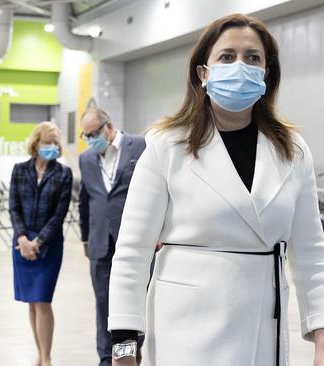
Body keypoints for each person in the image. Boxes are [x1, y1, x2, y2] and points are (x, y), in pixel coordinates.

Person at [108, 14, 324, 366]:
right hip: (184, 332)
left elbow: (313, 255)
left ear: (267, 74)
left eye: (253, 57)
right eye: (227, 56)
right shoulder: (166, 146)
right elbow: (132, 254)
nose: (240, 65)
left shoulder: (292, 150)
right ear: (203, 73)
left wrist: (321, 339)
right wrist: (124, 348)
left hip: (261, 330)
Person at [77, 107, 146, 366]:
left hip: (134, 243)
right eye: (86, 135)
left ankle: (131, 356)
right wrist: (85, 238)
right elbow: (84, 202)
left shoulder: (139, 146)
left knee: (131, 305)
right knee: (104, 305)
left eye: (93, 133)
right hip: (99, 244)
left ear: (108, 126)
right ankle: (107, 360)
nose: (91, 139)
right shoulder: (86, 160)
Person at [9, 121, 73, 366]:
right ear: (36, 144)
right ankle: (39, 353)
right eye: (49, 142)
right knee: (32, 303)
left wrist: (38, 242)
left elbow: (60, 214)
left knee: (43, 300)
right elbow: (13, 207)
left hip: (49, 245)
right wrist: (23, 239)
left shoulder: (64, 174)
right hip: (21, 244)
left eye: (56, 143)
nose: (54, 147)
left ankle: (46, 359)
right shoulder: (19, 170)